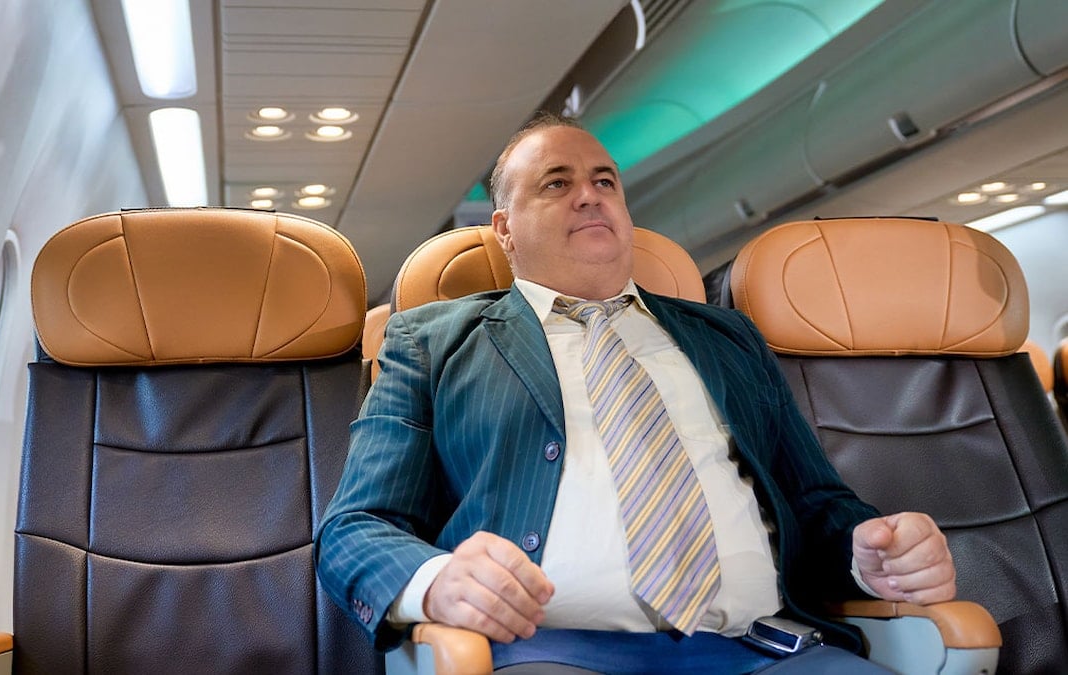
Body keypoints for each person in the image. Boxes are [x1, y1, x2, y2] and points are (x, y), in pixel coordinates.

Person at [314, 113, 956, 673]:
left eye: (605, 182)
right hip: (547, 651)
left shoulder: (728, 337)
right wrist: (437, 581)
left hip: (765, 648)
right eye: (556, 183)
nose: (589, 196)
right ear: (505, 229)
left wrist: (868, 552)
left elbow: (815, 503)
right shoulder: (435, 342)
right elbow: (354, 528)